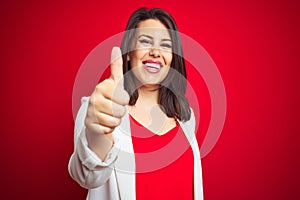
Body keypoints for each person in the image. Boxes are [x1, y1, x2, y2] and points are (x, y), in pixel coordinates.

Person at [68, 7, 204, 200]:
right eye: (145, 42)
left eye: (165, 45)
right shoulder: (100, 109)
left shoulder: (186, 116)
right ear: (129, 53)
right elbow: (88, 176)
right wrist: (97, 133)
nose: (156, 52)